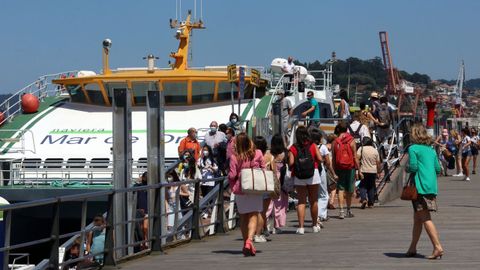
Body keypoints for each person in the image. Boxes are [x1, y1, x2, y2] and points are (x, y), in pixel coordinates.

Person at [405, 123, 444, 260]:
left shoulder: (413, 148)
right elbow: (438, 169)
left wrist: (407, 168)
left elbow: (414, 167)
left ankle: (437, 247)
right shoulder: (431, 150)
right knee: (417, 218)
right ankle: (412, 247)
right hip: (431, 187)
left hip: (420, 187)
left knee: (425, 218)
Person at [228, 133, 265, 256]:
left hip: (241, 189)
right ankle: (250, 240)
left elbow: (232, 175)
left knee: (243, 217)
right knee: (253, 215)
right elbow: (263, 168)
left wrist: (230, 177)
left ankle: (246, 243)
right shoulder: (258, 153)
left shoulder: (235, 157)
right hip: (255, 188)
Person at [288, 126, 323, 234]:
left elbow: (291, 163)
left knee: (301, 201)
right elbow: (320, 159)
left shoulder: (293, 147)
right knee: (314, 201)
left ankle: (301, 227)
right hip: (313, 173)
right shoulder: (312, 145)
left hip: (299, 175)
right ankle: (314, 225)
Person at [310, 128, 337, 225]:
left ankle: (322, 214)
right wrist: (333, 173)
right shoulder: (322, 147)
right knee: (324, 194)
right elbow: (328, 163)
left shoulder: (308, 147)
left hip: (308, 171)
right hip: (320, 170)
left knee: (314, 195)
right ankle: (320, 215)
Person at [331, 121, 359, 219]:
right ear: (347, 129)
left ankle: (341, 211)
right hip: (350, 167)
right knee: (350, 189)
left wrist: (334, 171)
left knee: (341, 189)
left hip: (339, 168)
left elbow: (334, 158)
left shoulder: (335, 142)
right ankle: (348, 210)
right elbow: (355, 156)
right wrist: (358, 169)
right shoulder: (351, 140)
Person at [265, 134, 289, 234]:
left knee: (269, 204)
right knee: (280, 204)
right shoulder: (285, 153)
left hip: (271, 178)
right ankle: (277, 225)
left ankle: (264, 223)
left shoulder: (269, 153)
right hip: (281, 179)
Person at [252, 136, 271, 243]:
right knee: (262, 212)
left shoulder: (250, 154)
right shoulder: (267, 156)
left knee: (253, 210)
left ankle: (252, 232)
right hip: (264, 184)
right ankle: (258, 234)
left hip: (253, 184)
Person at [357, 137, 381, 209]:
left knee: (362, 185)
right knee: (371, 186)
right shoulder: (375, 150)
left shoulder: (361, 149)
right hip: (373, 171)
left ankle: (364, 199)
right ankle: (371, 203)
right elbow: (378, 162)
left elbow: (357, 159)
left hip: (364, 170)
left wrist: (358, 170)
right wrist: (378, 172)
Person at [326, 134, 338, 210]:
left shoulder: (324, 146)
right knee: (334, 186)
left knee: (326, 187)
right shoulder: (334, 147)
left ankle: (327, 202)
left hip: (324, 168)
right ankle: (331, 202)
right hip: (332, 167)